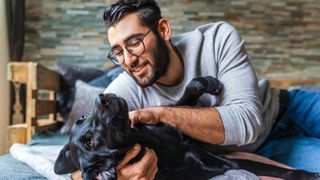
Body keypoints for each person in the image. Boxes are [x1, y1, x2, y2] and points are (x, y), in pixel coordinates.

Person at [100, 0, 320, 179]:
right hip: (258, 149)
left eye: (135, 42)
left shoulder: (216, 39)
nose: (128, 60)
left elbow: (246, 121)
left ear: (163, 29)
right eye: (118, 52)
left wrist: (161, 114)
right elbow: (78, 149)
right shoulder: (123, 90)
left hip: (288, 106)